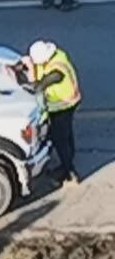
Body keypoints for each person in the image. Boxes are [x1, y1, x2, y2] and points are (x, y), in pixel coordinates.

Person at [21, 40, 82, 184]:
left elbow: (38, 86)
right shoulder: (57, 56)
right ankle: (68, 164)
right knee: (66, 135)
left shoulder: (56, 72)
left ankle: (68, 170)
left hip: (64, 106)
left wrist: (29, 69)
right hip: (64, 105)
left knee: (60, 139)